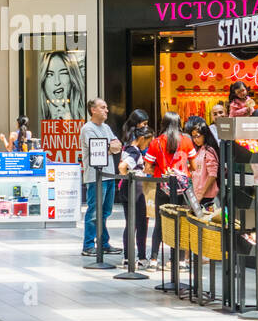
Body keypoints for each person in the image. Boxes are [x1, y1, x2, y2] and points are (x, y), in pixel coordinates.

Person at [145, 111, 196, 259]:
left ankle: (154, 258)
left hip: (162, 186)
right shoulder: (186, 141)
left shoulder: (156, 142)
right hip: (182, 188)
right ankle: (178, 260)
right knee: (180, 222)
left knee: (159, 223)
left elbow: (147, 167)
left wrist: (161, 170)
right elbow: (194, 166)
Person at [79, 97, 122, 256]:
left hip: (109, 174)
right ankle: (88, 245)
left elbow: (118, 145)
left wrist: (107, 148)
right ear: (93, 110)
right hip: (95, 177)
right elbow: (98, 150)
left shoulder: (106, 127)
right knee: (94, 212)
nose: (107, 110)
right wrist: (108, 148)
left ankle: (103, 243)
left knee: (105, 212)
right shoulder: (87, 129)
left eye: (106, 107)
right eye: (103, 107)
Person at [118, 111, 153, 266]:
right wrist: (129, 174)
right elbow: (122, 166)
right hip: (136, 188)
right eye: (148, 141)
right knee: (141, 223)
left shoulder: (127, 146)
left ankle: (127, 256)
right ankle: (141, 257)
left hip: (126, 188)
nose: (148, 145)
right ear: (141, 138)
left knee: (130, 223)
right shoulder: (134, 151)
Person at [39, 50, 85, 121]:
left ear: (72, 78)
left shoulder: (84, 115)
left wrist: (69, 120)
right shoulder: (37, 116)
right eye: (50, 74)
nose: (57, 82)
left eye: (63, 73)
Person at [189, 119, 220, 209]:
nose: (195, 140)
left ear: (205, 135)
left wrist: (201, 193)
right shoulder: (200, 149)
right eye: (193, 137)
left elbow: (213, 174)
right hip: (199, 194)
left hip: (207, 196)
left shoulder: (208, 151)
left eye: (197, 136)